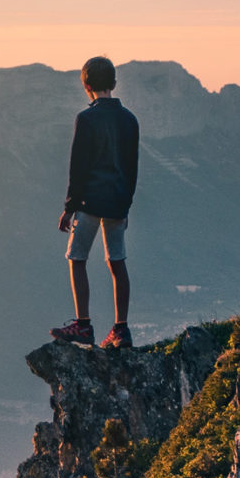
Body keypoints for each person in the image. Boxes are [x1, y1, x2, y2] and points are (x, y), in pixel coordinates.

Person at [49, 56, 139, 349]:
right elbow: (131, 167)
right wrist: (126, 205)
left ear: (86, 86)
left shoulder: (85, 119)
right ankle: (121, 328)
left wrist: (69, 207)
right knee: (117, 262)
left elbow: (78, 167)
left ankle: (83, 325)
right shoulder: (129, 120)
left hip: (89, 201)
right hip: (117, 202)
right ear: (114, 83)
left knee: (76, 258)